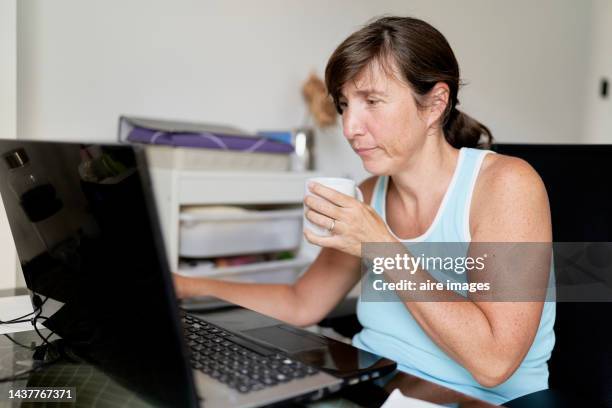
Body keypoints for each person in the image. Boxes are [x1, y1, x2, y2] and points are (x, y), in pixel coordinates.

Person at [174, 16, 555, 404]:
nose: (350, 126)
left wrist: (381, 246)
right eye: (344, 105)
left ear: (435, 105)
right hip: (379, 386)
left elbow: (494, 363)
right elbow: (301, 301)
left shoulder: (506, 185)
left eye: (371, 101)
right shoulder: (371, 192)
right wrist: (185, 286)